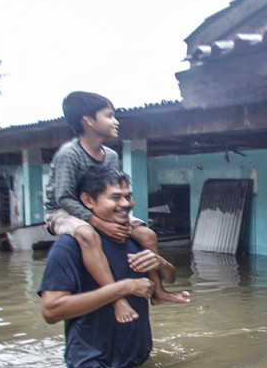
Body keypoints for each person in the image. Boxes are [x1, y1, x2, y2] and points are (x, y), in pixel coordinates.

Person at [44, 91, 188, 324]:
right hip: (63, 211)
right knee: (87, 235)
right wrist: (99, 222)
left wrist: (106, 217)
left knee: (147, 234)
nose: (116, 121)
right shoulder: (69, 155)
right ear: (88, 121)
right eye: (109, 116)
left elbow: (108, 193)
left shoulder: (109, 156)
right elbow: (63, 198)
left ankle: (159, 292)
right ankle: (117, 299)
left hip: (96, 210)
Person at [40, 165, 188, 368]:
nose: (126, 204)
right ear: (88, 201)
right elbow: (51, 311)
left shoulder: (135, 239)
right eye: (115, 197)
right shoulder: (69, 247)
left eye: (128, 197)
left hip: (139, 362)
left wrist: (160, 263)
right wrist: (123, 289)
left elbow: (170, 278)